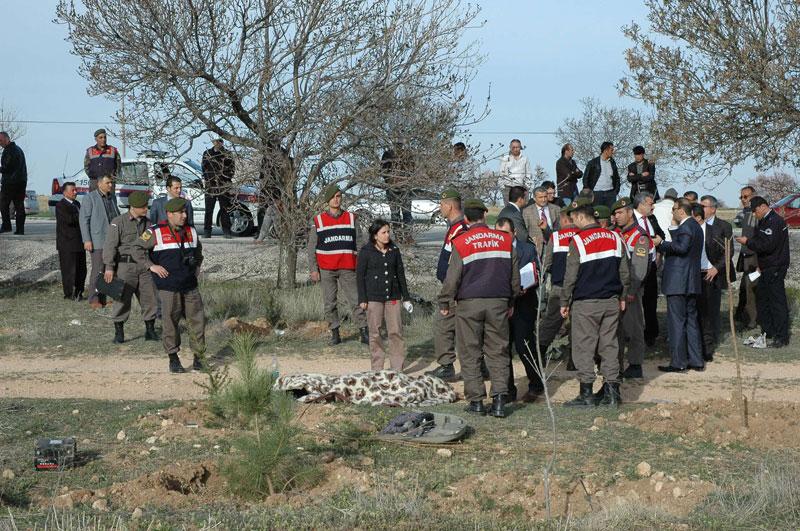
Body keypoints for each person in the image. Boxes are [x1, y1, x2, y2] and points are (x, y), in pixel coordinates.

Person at [438, 199, 521, 418]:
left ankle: (476, 401)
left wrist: (445, 301)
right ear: (485, 216)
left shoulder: (462, 241)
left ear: (466, 218)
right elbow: (515, 277)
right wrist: (511, 301)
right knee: (498, 351)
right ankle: (500, 400)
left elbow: (452, 277)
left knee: (470, 351)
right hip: (499, 303)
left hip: (469, 304)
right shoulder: (504, 240)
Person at [560, 204, 629, 407]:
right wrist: (623, 296)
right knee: (609, 346)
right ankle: (612, 392)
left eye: (574, 219)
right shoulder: (616, 237)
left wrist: (564, 301)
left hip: (586, 302)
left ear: (582, 217)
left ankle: (586, 393)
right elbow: (624, 272)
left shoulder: (578, 241)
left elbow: (570, 276)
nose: (574, 223)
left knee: (584, 347)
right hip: (611, 301)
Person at [135, 198, 205, 373]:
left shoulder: (191, 231)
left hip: (190, 285)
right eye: (180, 213)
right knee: (170, 321)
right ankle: (173, 358)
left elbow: (198, 253)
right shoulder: (154, 232)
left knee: (197, 321)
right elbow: (136, 249)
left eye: (185, 212)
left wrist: (196, 267)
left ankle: (199, 358)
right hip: (168, 286)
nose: (184, 216)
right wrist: (151, 266)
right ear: (169, 214)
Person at [307, 184, 368, 346]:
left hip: (348, 267)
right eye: (334, 196)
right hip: (327, 268)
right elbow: (311, 247)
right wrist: (314, 269)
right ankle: (335, 333)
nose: (336, 199)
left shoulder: (351, 218)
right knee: (329, 302)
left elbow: (360, 243)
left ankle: (364, 331)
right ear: (328, 200)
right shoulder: (318, 221)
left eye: (339, 196)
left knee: (356, 300)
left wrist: (361, 264)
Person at [496, 216, 543, 402]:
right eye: (498, 234)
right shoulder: (495, 249)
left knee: (525, 347)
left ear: (514, 233)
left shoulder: (528, 249)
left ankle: (536, 384)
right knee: (502, 348)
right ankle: (508, 389)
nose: (502, 237)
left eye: (506, 233)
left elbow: (537, 273)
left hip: (524, 305)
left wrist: (527, 285)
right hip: (501, 306)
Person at [654, 198, 704, 372]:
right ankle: (696, 360)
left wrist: (661, 244)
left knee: (676, 322)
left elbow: (681, 248)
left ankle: (678, 362)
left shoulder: (687, 227)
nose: (672, 212)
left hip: (678, 281)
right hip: (690, 281)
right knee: (691, 321)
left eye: (674, 209)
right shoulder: (695, 226)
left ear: (681, 211)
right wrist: (674, 227)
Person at [103, 191, 159, 344]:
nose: (145, 209)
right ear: (133, 207)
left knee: (149, 298)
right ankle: (119, 333)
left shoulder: (148, 224)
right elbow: (110, 246)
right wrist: (109, 267)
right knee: (121, 299)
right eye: (142, 207)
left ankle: (150, 330)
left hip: (144, 266)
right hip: (125, 266)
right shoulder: (118, 222)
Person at [356, 219, 412, 372]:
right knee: (375, 333)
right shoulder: (366, 251)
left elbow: (400, 274)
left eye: (388, 232)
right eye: (384, 232)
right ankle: (377, 369)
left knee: (395, 332)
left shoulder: (394, 250)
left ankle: (397, 369)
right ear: (375, 235)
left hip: (393, 297)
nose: (387, 235)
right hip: (373, 297)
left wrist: (406, 297)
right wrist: (362, 299)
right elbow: (360, 276)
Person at [426, 189, 469, 382]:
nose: (440, 208)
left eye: (442, 204)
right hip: (452, 285)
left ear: (449, 206)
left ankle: (446, 366)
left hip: (455, 288)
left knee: (444, 325)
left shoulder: (460, 229)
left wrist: (452, 288)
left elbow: (459, 262)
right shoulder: (454, 227)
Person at [735, 196, 790, 348]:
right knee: (763, 300)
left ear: (762, 207)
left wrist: (748, 242)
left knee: (776, 302)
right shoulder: (764, 221)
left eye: (754, 211)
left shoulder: (774, 221)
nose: (753, 214)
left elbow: (767, 245)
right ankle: (768, 332)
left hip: (775, 268)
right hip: (766, 267)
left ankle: (781, 336)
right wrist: (760, 265)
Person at [538, 200, 583, 370]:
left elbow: (546, 263)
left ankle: (540, 352)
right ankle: (574, 360)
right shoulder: (582, 235)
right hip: (580, 287)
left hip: (559, 286)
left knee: (551, 322)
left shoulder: (555, 237)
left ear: (564, 220)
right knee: (577, 324)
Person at [612, 198, 652, 380]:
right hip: (616, 289)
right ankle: (617, 364)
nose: (616, 216)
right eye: (615, 213)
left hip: (631, 291)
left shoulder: (639, 235)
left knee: (634, 327)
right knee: (617, 329)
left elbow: (640, 268)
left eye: (620, 213)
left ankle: (635, 364)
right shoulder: (616, 233)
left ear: (629, 212)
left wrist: (631, 291)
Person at [698, 195, 734, 360]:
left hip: (713, 274)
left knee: (711, 311)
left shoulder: (723, 226)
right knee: (698, 310)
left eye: (704, 206)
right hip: (697, 274)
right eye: (700, 205)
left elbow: (728, 251)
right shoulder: (696, 224)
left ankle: (709, 346)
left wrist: (716, 268)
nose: (702, 208)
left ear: (713, 208)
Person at [79, 175, 120, 309]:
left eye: (111, 183)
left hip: (112, 240)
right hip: (97, 241)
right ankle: (94, 299)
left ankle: (104, 298)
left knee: (110, 269)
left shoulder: (112, 198)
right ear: (99, 183)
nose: (110, 185)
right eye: (108, 183)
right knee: (98, 270)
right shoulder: (90, 198)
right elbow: (84, 221)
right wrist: (87, 240)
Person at [632, 191, 664, 346]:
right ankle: (632, 333)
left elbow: (661, 234)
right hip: (636, 265)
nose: (653, 207)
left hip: (651, 265)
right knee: (634, 300)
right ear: (641, 204)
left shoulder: (651, 218)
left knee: (651, 301)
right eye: (651, 204)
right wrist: (652, 241)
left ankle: (651, 334)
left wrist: (659, 249)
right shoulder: (630, 219)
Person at [55, 182, 87, 301]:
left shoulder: (77, 204)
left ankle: (79, 293)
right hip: (67, 244)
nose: (75, 192)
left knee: (81, 270)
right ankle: (69, 294)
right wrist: (82, 215)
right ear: (65, 192)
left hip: (80, 242)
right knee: (69, 271)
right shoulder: (60, 205)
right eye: (72, 190)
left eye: (76, 190)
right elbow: (69, 220)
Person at [735, 186, 759, 329]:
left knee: (751, 288)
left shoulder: (757, 214)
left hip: (754, 257)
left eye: (746, 197)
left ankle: (752, 320)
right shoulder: (744, 213)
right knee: (744, 287)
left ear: (753, 196)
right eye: (741, 197)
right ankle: (741, 315)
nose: (744, 200)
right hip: (745, 256)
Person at [381, 143, 415, 242]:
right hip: (392, 188)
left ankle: (408, 235)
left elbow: (412, 170)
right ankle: (398, 236)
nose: (399, 146)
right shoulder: (387, 154)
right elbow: (383, 170)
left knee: (407, 213)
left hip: (405, 188)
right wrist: (390, 181)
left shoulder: (407, 154)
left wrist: (405, 180)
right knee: (395, 214)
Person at [201, 138, 235, 238]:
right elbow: (204, 168)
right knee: (208, 210)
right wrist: (209, 180)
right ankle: (207, 231)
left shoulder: (227, 154)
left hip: (223, 186)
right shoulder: (207, 153)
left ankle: (226, 231)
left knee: (225, 209)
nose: (217, 143)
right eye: (215, 141)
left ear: (222, 142)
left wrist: (224, 180)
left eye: (219, 141)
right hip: (210, 186)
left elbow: (232, 169)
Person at [0, 131, 27, 235]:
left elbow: (7, 167)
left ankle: (6, 226)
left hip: (11, 182)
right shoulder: (17, 149)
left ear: (7, 139)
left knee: (3, 204)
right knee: (19, 205)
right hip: (20, 181)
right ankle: (20, 229)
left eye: (1, 140)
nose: (0, 143)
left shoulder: (10, 150)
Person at [523, 185, 561, 256]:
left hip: (553, 246)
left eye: (545, 197)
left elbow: (559, 229)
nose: (543, 200)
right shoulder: (527, 211)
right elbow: (525, 231)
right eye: (540, 197)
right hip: (535, 248)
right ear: (534, 198)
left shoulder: (556, 209)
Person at [582, 141, 620, 209]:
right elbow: (585, 178)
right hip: (597, 194)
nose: (613, 152)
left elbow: (617, 178)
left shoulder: (612, 162)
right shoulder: (593, 163)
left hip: (610, 194)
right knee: (597, 215)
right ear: (605, 150)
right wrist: (589, 193)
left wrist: (615, 191)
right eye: (611, 150)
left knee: (610, 216)